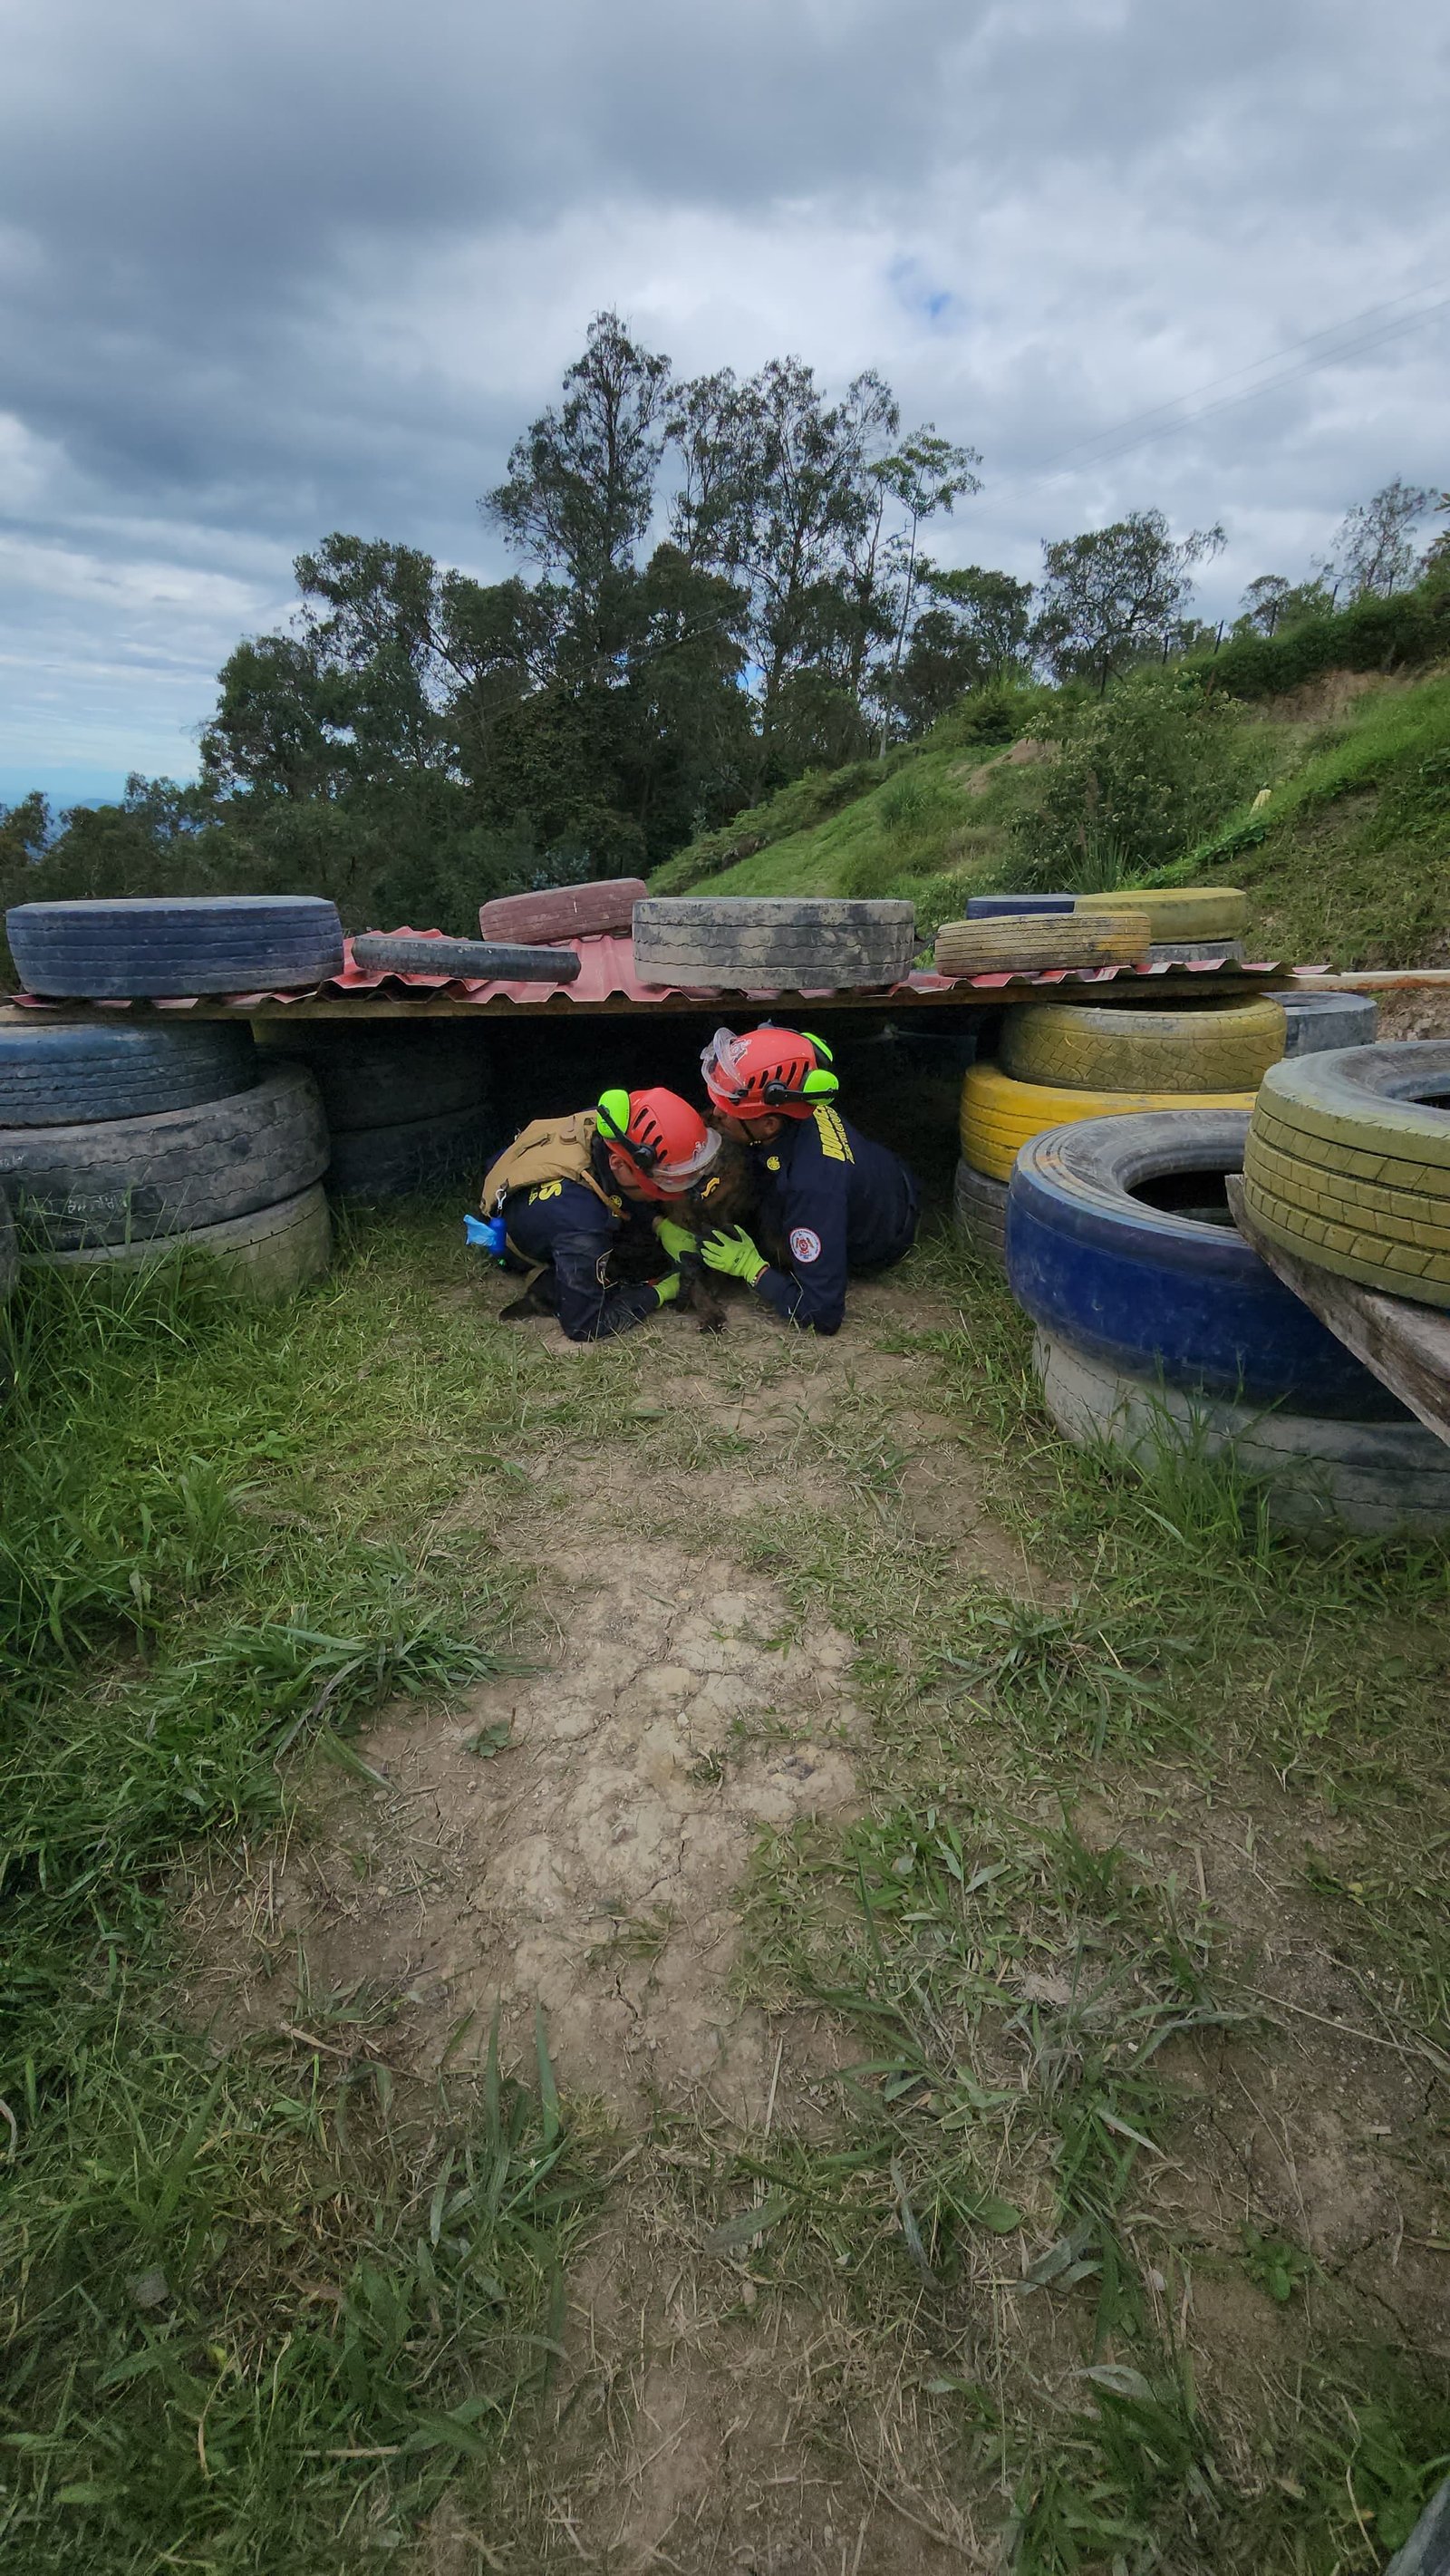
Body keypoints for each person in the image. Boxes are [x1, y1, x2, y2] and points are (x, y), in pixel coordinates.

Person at [694, 1024, 919, 1335]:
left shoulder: (811, 1189)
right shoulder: (801, 1102)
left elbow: (823, 1313)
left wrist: (753, 1269)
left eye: (729, 1109)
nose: (717, 1114)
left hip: (884, 1239)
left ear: (769, 1125)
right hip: (890, 1177)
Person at [479, 1087, 720, 1341]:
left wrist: (659, 1224)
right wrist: (660, 1292)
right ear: (619, 1165)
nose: (675, 1191)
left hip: (517, 1164)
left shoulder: (612, 1124)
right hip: (510, 1227)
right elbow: (584, 1325)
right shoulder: (582, 1222)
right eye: (666, 1180)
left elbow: (614, 1184)